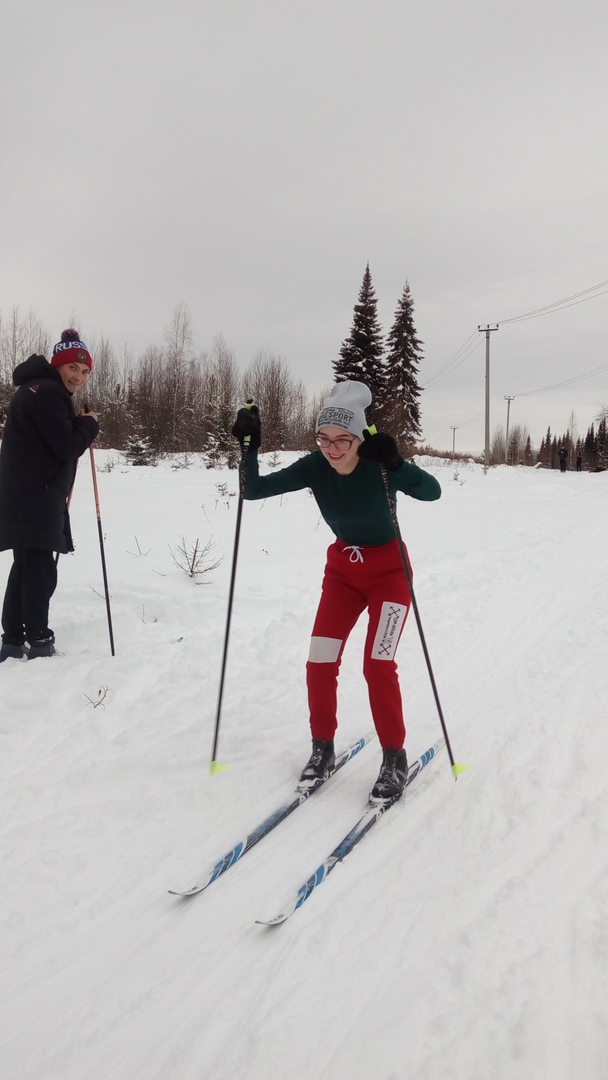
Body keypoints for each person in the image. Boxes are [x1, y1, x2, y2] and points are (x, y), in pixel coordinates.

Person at [232, 380, 441, 802]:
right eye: (323, 438)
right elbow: (253, 490)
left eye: (342, 439)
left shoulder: (378, 463)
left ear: (359, 437)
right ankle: (322, 748)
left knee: (377, 665)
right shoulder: (314, 466)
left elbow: (431, 492)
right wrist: (249, 446)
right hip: (343, 574)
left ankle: (394, 757)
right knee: (320, 661)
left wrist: (397, 462)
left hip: (390, 575)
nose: (332, 448)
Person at [0, 330, 99, 661]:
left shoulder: (34, 389)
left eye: (84, 371)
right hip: (36, 495)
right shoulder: (48, 393)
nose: (78, 377)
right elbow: (66, 446)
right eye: (72, 368)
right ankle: (39, 639)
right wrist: (88, 425)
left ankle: (13, 640)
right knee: (40, 569)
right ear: (57, 364)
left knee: (26, 566)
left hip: (23, 493)